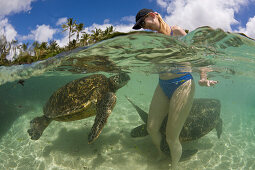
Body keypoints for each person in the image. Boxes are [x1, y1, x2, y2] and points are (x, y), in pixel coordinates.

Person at [133, 8, 218, 169]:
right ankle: (160, 153)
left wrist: (203, 77)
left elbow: (197, 57)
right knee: (151, 128)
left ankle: (174, 166)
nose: (144, 27)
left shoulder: (176, 32)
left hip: (183, 83)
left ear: (153, 15)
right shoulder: (155, 41)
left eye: (143, 23)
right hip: (162, 84)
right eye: (141, 26)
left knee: (172, 137)